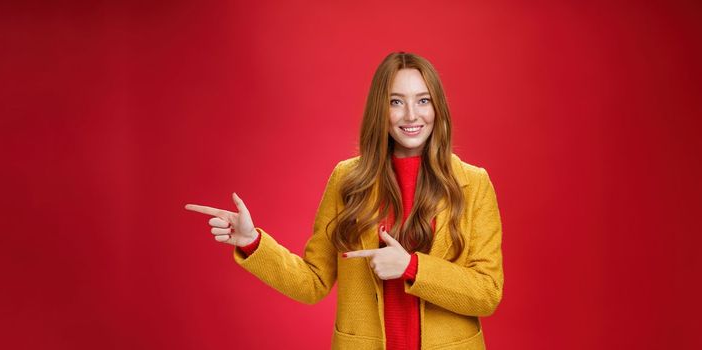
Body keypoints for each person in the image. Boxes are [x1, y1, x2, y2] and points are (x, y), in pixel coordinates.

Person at [185, 52, 503, 349]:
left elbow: (487, 293)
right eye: (396, 101)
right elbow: (313, 282)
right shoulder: (347, 179)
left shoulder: (474, 184)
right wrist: (252, 241)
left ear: (437, 107)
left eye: (423, 100)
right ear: (381, 109)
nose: (411, 114)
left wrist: (411, 266)